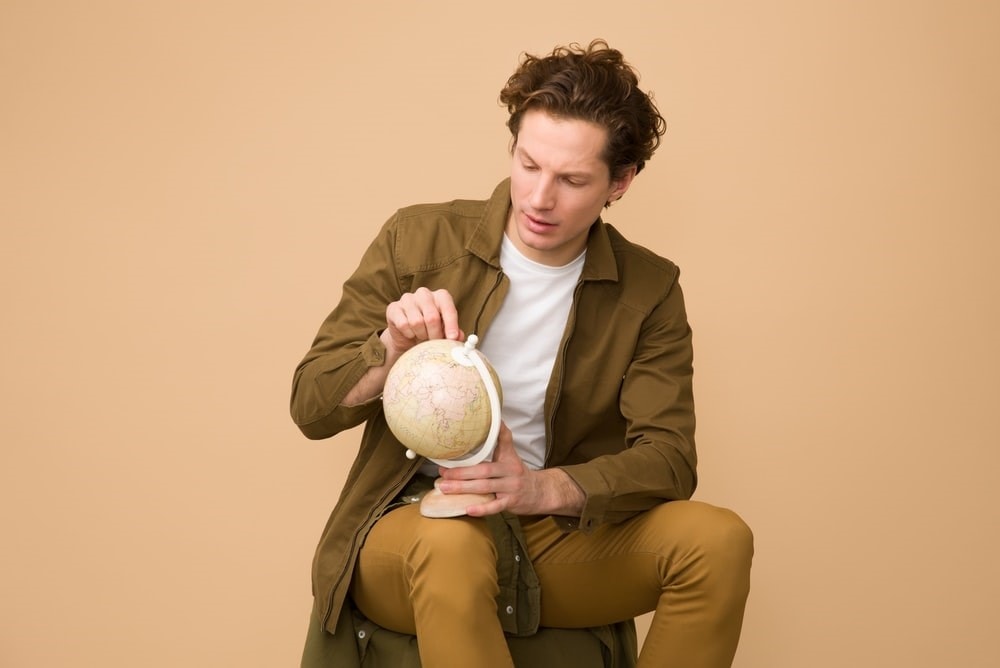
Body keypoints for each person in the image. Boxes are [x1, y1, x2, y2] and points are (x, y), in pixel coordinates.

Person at [291, 39, 753, 668]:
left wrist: (541, 490)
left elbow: (670, 460)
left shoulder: (651, 289)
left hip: (547, 532)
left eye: (572, 180)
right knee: (452, 548)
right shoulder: (418, 238)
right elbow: (310, 406)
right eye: (528, 164)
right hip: (411, 526)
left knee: (719, 540)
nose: (539, 198)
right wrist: (389, 348)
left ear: (620, 183)